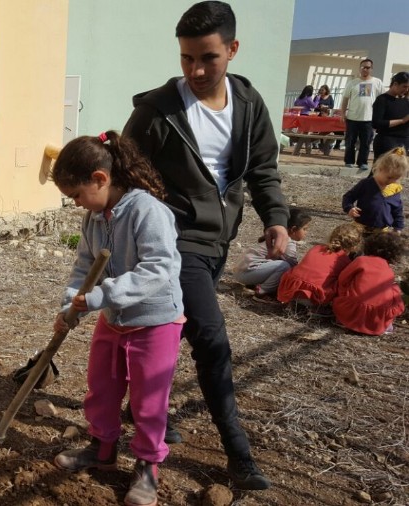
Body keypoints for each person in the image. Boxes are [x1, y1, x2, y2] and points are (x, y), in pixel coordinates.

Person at [122, 1, 289, 490]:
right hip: (172, 243)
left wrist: (275, 219)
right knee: (212, 340)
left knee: (170, 332)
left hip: (219, 240)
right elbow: (128, 174)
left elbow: (262, 169)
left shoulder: (249, 103)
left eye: (208, 58)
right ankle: (237, 451)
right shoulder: (157, 111)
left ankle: (144, 405)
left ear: (232, 50)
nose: (196, 69)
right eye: (186, 58)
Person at [50, 132, 184, 506]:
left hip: (155, 321)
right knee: (103, 387)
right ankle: (103, 448)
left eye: (77, 195)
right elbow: (83, 269)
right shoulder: (94, 218)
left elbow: (158, 268)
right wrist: (70, 306)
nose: (77, 204)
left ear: (99, 178)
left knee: (148, 400)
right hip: (113, 319)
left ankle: (146, 467)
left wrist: (98, 297)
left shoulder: (148, 211)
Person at [276, 222, 363, 313]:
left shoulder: (317, 248)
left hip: (290, 288)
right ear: (354, 247)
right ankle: (314, 306)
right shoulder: (344, 261)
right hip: (316, 295)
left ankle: (298, 302)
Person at [333, 232, 405, 336]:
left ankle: (347, 321)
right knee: (394, 288)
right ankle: (384, 325)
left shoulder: (361, 260)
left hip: (350, 310)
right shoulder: (388, 270)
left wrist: (344, 292)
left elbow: (343, 278)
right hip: (377, 318)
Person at [233, 207, 311, 303]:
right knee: (284, 266)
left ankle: (256, 285)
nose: (306, 233)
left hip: (242, 272)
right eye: (305, 229)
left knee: (282, 265)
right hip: (246, 274)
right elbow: (293, 266)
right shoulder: (287, 241)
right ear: (294, 229)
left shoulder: (277, 235)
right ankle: (261, 292)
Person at [342, 147, 407, 235]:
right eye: (389, 177)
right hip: (361, 227)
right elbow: (348, 197)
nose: (391, 181)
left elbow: (397, 210)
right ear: (380, 168)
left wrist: (398, 227)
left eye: (396, 179)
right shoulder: (366, 184)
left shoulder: (394, 189)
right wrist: (349, 208)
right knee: (357, 247)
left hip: (381, 231)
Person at [340, 59, 385, 170]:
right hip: (352, 118)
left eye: (368, 67)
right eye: (363, 67)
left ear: (371, 69)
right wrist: (342, 113)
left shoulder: (377, 82)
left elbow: (382, 100)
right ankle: (349, 161)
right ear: (360, 68)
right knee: (350, 142)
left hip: (369, 118)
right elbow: (345, 99)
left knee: (366, 142)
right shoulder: (352, 83)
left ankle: (362, 162)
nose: (365, 69)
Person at [371, 72, 409, 163]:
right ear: (395, 84)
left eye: (408, 87)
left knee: (396, 173)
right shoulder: (382, 100)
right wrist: (402, 121)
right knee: (380, 173)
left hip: (403, 142)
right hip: (386, 141)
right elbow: (377, 123)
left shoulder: (405, 101)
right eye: (404, 86)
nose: (406, 89)